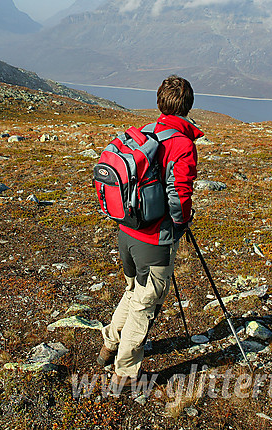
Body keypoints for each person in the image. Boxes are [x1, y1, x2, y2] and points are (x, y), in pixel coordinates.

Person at [97, 75, 203, 384]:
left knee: (133, 292)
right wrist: (181, 223)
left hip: (126, 231)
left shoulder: (144, 134)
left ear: (160, 102)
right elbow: (180, 193)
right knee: (145, 306)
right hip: (154, 239)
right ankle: (126, 374)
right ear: (188, 105)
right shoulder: (181, 144)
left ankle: (108, 346)